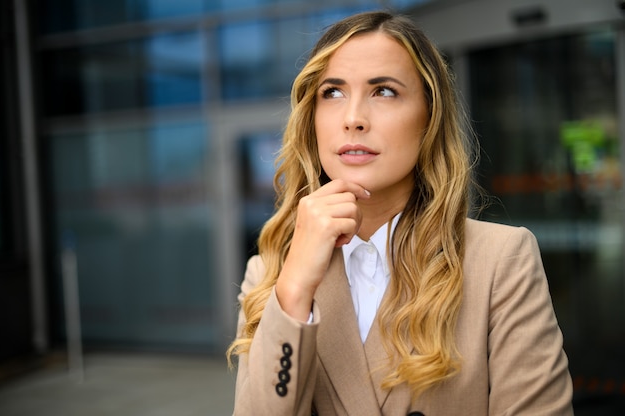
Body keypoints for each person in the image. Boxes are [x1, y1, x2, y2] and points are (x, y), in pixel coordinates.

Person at [226, 10, 573, 416]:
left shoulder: (501, 261)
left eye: (384, 91)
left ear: (429, 117)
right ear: (312, 118)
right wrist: (296, 287)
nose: (353, 119)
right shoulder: (269, 272)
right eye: (333, 93)